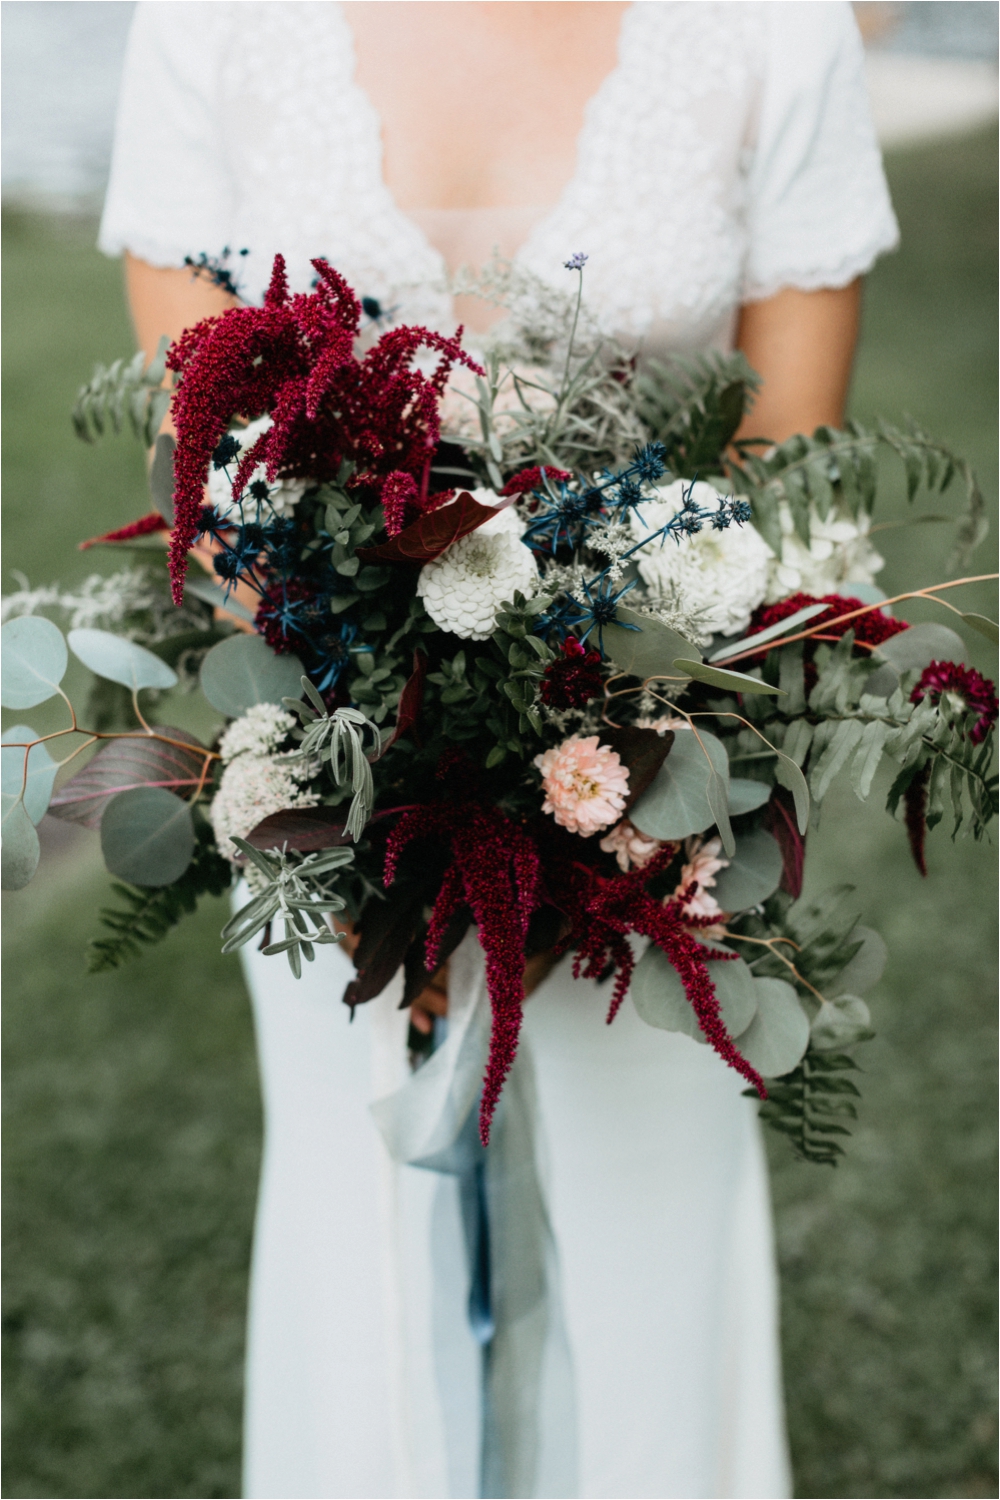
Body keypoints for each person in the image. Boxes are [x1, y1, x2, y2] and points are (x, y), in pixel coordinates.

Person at [99, 5, 898, 1496]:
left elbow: (793, 462)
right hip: (334, 786)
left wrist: (604, 731)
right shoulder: (206, 23)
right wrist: (396, 718)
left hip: (659, 789)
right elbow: (204, 452)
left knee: (650, 1238)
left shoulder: (779, 29)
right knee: (367, 1233)